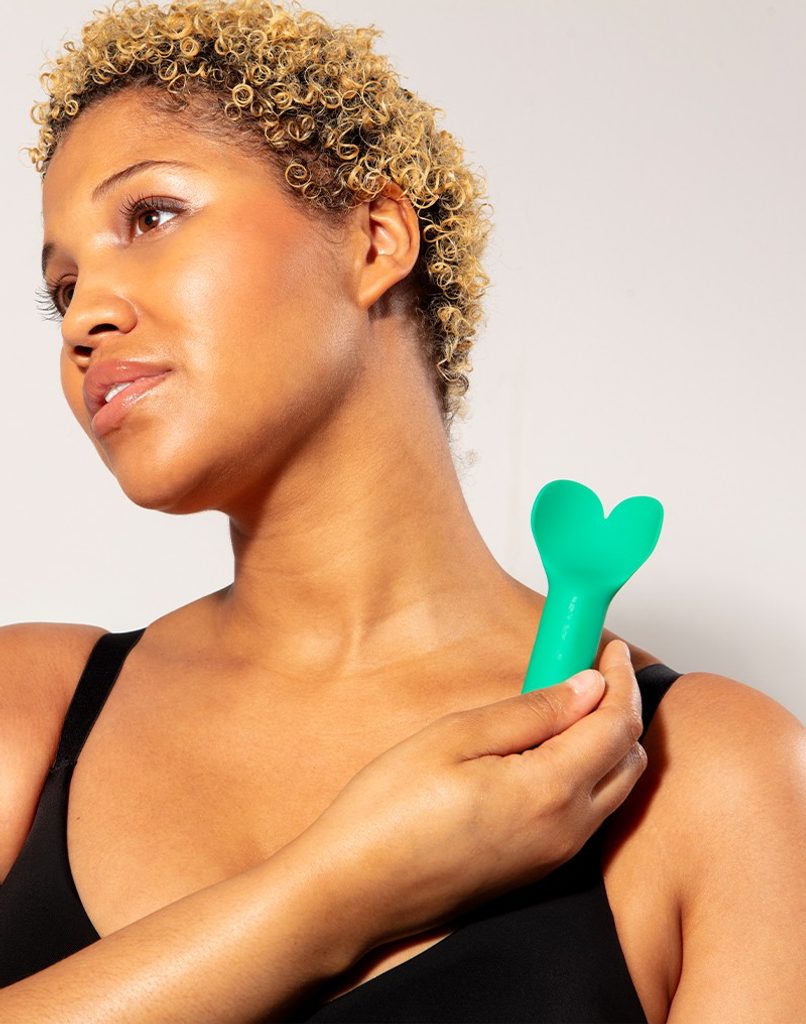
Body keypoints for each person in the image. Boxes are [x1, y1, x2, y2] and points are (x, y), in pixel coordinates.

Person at [0, 0, 803, 1021]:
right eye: (62, 285)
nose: (84, 317)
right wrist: (336, 889)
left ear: (375, 239)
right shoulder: (27, 708)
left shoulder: (716, 774)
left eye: (151, 217)